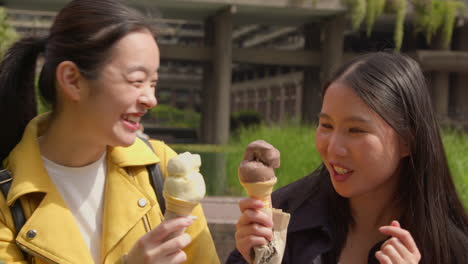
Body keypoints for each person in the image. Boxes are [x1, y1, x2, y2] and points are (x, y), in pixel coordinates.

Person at [0, 0, 219, 263]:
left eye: (153, 83)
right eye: (137, 81)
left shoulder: (162, 167)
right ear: (72, 79)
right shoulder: (7, 199)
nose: (151, 99)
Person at [226, 52, 468, 263]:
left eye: (356, 130)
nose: (333, 148)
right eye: (326, 125)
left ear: (407, 141)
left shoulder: (452, 250)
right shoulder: (284, 216)